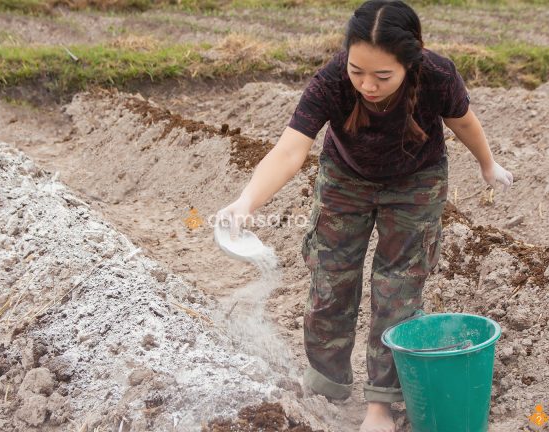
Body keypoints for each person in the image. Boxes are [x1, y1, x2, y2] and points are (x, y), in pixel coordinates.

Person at [216, 1, 513, 430]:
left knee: (398, 289)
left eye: (382, 76)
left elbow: (463, 122)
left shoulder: (437, 75)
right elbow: (291, 148)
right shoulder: (332, 80)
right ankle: (326, 381)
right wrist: (247, 201)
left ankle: (381, 403)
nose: (367, 85)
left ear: (410, 64)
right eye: (358, 71)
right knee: (330, 276)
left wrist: (487, 164)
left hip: (416, 181)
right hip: (345, 178)